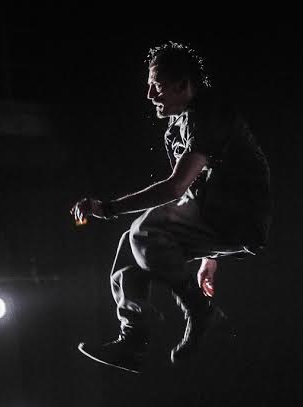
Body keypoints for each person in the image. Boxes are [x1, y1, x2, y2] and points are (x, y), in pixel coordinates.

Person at [71, 42, 271, 373]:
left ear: (182, 85)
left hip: (240, 217)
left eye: (157, 85)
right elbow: (191, 191)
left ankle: (200, 311)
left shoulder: (208, 114)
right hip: (212, 215)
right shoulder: (175, 129)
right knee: (129, 247)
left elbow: (175, 187)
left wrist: (107, 208)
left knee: (144, 231)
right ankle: (133, 340)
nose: (150, 95)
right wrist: (209, 257)